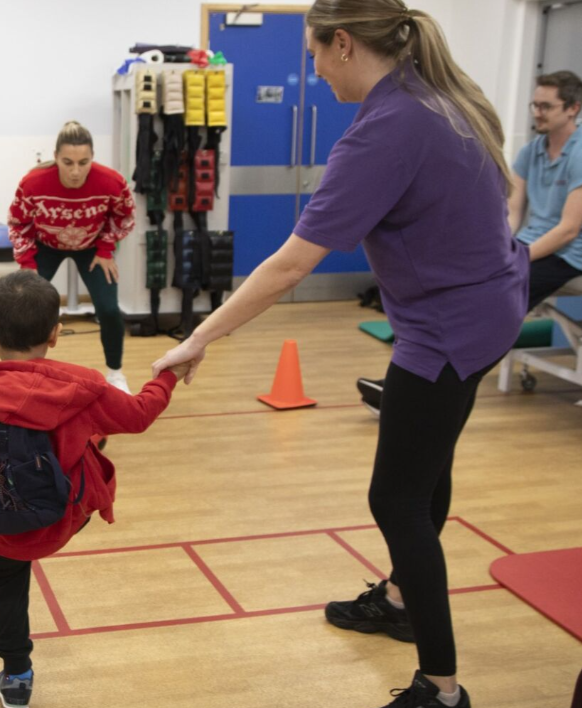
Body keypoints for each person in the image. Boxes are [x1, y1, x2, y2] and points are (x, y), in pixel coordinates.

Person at [152, 2, 528, 707]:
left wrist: (198, 337)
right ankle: (397, 598)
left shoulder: (387, 129)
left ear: (344, 43)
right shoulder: (436, 94)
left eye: (315, 54)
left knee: (395, 499)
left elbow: (290, 267)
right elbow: (503, 191)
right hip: (489, 310)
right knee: (425, 475)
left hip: (447, 329)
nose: (314, 69)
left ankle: (440, 688)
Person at [0, 270, 186, 708]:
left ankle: (17, 674)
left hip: (0, 527)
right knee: (90, 435)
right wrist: (168, 375)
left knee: (4, 587)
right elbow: (139, 415)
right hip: (65, 516)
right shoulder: (86, 386)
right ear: (56, 334)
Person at [357, 69, 582, 415]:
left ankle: (418, 391)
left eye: (546, 106)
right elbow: (512, 211)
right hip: (526, 245)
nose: (537, 112)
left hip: (569, 254)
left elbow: (568, 230)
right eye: (534, 105)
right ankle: (417, 383)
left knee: (499, 296)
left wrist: (512, 260)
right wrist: (499, 249)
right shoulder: (531, 151)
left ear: (573, 109)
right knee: (470, 285)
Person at [7, 121, 137, 393]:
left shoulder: (112, 182)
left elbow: (124, 217)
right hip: (45, 246)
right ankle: (22, 373)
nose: (76, 171)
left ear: (92, 158)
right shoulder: (33, 182)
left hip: (92, 248)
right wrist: (27, 263)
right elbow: (18, 222)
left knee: (110, 309)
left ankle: (115, 373)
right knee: (25, 307)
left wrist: (105, 248)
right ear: (55, 158)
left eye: (84, 162)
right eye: (68, 162)